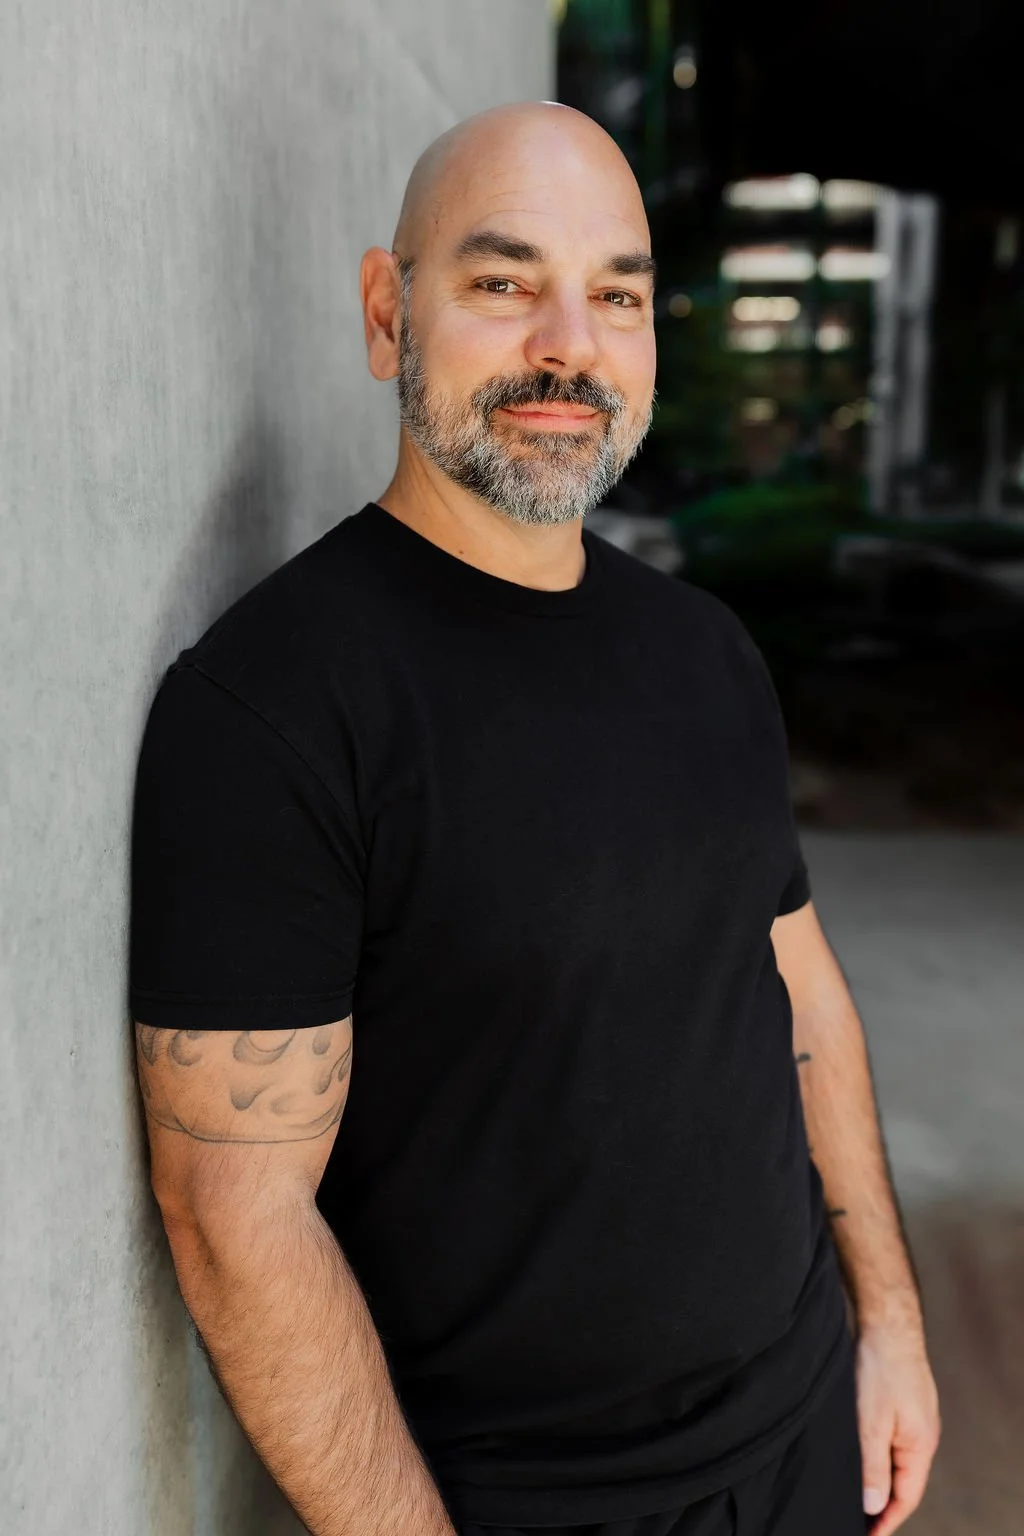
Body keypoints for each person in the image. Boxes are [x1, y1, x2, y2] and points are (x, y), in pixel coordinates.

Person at [129, 101, 940, 1536]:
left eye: (614, 294)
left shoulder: (707, 655)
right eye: (503, 283)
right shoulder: (276, 705)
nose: (568, 342)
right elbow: (236, 1222)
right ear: (391, 314)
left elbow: (798, 993)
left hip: (808, 1431)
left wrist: (889, 1324)